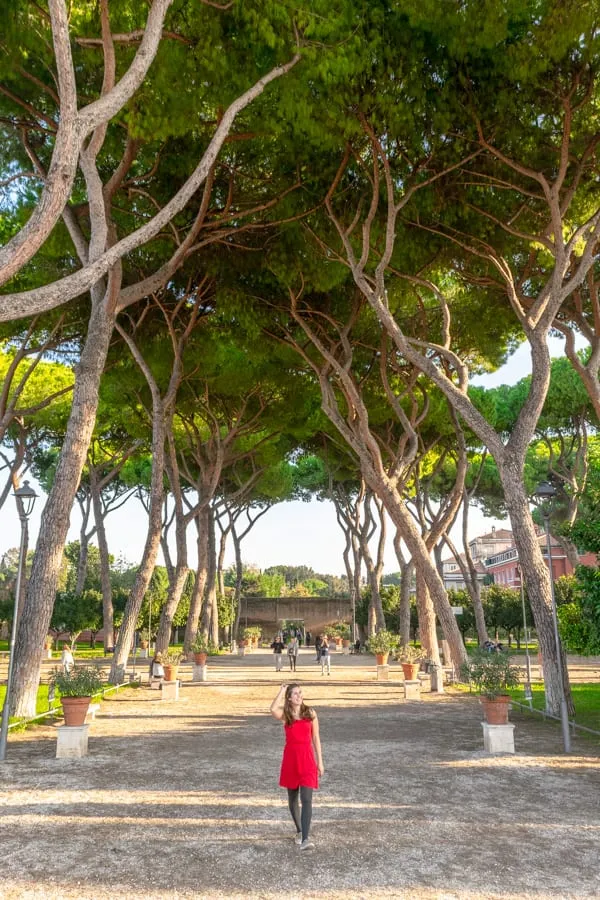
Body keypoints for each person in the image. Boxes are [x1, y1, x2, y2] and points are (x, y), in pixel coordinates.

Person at [270, 683, 324, 851]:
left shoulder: (311, 713)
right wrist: (280, 690)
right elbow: (273, 709)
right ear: (289, 697)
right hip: (291, 760)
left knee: (307, 799)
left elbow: (316, 738)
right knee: (293, 797)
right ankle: (300, 831)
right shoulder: (287, 715)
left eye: (300, 693)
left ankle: (306, 839)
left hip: (307, 759)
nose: (299, 696)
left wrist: (320, 762)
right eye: (294, 693)